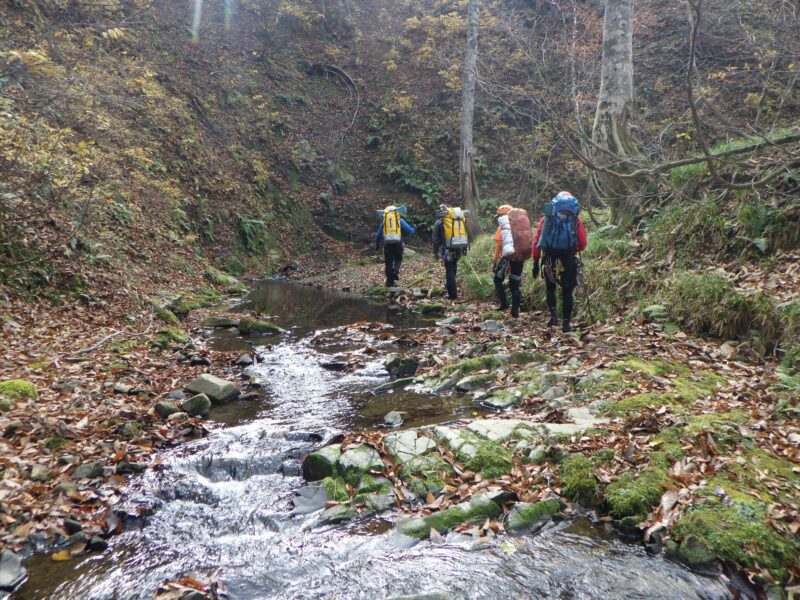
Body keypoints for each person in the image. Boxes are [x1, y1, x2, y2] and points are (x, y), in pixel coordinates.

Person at [532, 191, 587, 333]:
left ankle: (553, 316)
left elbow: (538, 240)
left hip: (550, 258)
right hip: (569, 258)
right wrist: (573, 248)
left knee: (550, 288)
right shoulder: (575, 220)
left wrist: (536, 260)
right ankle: (566, 324)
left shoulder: (547, 219)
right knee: (567, 291)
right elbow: (582, 243)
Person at [492, 204, 532, 318]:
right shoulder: (521, 226)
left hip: (507, 258)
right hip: (519, 258)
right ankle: (515, 310)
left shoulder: (503, 227)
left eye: (499, 216)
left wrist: (494, 261)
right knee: (515, 283)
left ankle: (504, 304)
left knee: (497, 279)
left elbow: (499, 245)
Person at [432, 204, 469, 299]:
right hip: (459, 248)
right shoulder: (458, 220)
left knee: (449, 270)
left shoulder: (439, 223)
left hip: (447, 249)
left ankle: (452, 294)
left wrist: (436, 253)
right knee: (453, 266)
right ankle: (450, 286)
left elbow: (435, 240)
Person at [375, 204, 416, 287]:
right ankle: (395, 271)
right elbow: (410, 231)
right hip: (398, 244)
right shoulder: (400, 220)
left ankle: (390, 283)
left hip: (387, 245)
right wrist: (414, 228)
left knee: (388, 263)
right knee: (398, 259)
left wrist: (377, 245)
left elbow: (378, 235)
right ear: (396, 212)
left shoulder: (384, 222)